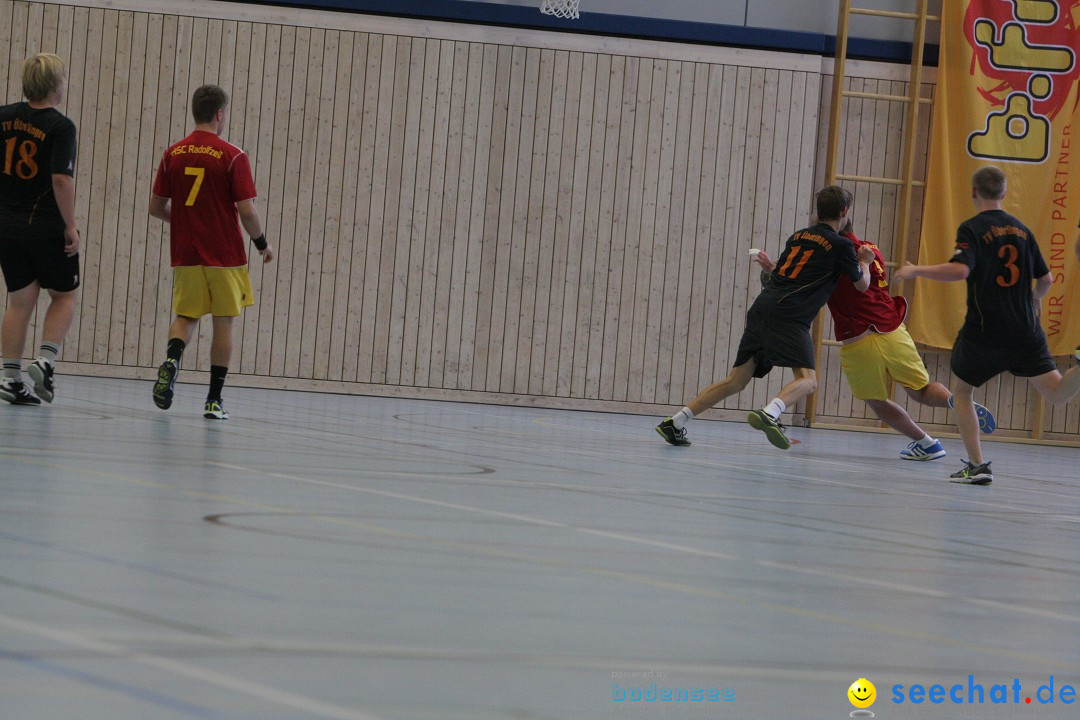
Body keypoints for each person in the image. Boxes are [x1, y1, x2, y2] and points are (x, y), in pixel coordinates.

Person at [753, 220, 996, 461]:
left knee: (876, 400)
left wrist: (771, 269)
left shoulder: (831, 253)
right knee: (921, 390)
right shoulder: (872, 249)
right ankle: (954, 402)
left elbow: (801, 279)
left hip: (858, 338)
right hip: (892, 329)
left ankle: (926, 442)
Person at [896, 166, 1080, 484]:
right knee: (1056, 394)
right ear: (1005, 193)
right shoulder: (1022, 229)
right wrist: (1035, 298)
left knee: (962, 391)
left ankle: (978, 465)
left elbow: (960, 271)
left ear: (973, 192)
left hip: (987, 330)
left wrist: (916, 271)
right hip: (1026, 328)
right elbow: (1046, 279)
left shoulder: (972, 228)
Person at [656, 185, 873, 449]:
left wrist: (770, 267)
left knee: (736, 380)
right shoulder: (841, 245)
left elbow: (781, 274)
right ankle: (770, 413)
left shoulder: (798, 236)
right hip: (790, 315)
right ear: (844, 211)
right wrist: (865, 261)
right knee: (808, 380)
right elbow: (862, 285)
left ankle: (675, 422)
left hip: (762, 308)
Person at [149, 84, 274, 420]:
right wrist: (262, 243)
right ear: (220, 113)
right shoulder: (233, 155)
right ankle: (213, 401)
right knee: (224, 324)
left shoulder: (171, 153)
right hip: (225, 253)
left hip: (187, 252)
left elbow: (156, 206)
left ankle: (172, 359)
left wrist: (185, 219)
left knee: (186, 316)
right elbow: (247, 211)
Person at [0, 53, 80, 406]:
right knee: (64, 295)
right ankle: (45, 360)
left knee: (19, 302)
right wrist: (71, 226)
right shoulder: (60, 127)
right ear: (54, 86)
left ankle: (10, 378)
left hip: (6, 226)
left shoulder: (2, 117)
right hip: (44, 225)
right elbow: (61, 179)